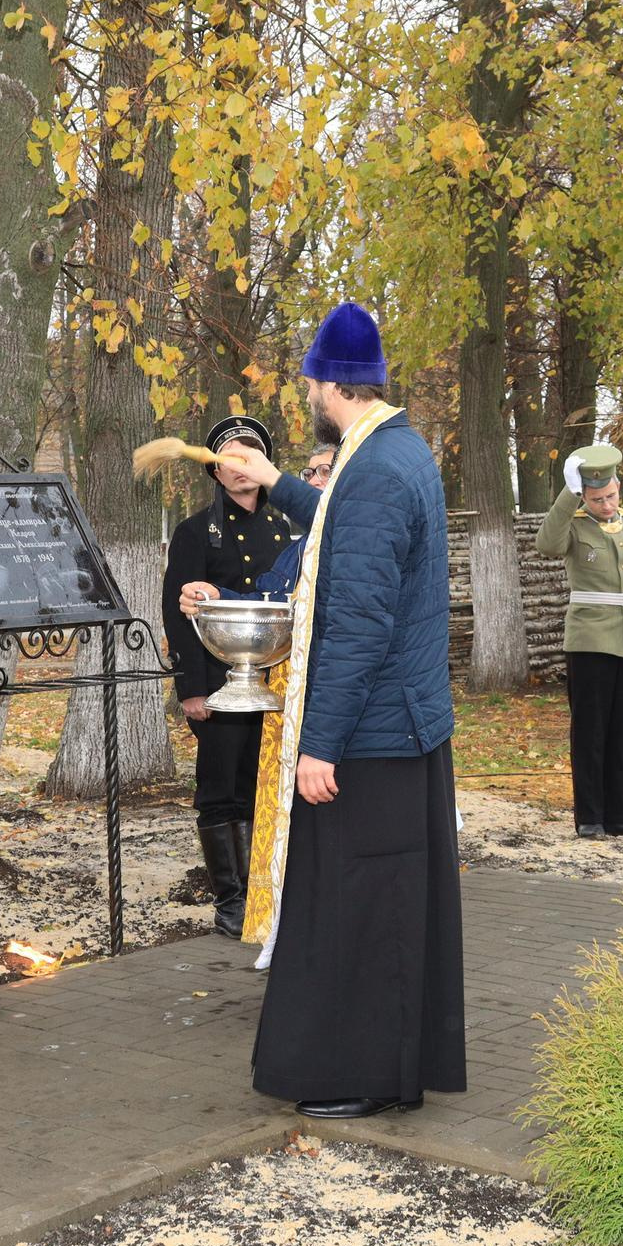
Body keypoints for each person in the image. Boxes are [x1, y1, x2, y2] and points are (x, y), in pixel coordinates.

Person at [206, 300, 467, 1120]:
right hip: (400, 726)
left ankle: (363, 1073)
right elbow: (344, 532)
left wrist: (318, 744)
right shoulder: (391, 452)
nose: (308, 395)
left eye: (310, 381)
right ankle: (388, 1062)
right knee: (385, 905)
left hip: (372, 735)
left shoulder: (378, 468)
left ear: (327, 383)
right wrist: (274, 481)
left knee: (364, 910)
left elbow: (358, 618)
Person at [160, 415, 298, 937]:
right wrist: (192, 689)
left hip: (274, 680)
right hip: (217, 680)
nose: (240, 469)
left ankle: (264, 888)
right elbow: (179, 613)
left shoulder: (288, 527)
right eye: (228, 460)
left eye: (249, 456)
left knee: (261, 783)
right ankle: (231, 900)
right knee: (221, 788)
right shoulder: (196, 531)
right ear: (216, 472)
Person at [536, 442, 623, 840]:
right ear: (585, 494)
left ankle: (621, 816)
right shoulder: (575, 524)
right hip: (590, 642)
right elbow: (546, 544)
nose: (606, 504)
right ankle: (590, 817)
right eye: (597, 499)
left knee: (621, 732)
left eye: (611, 495)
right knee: (590, 733)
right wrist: (568, 495)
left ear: (618, 485)